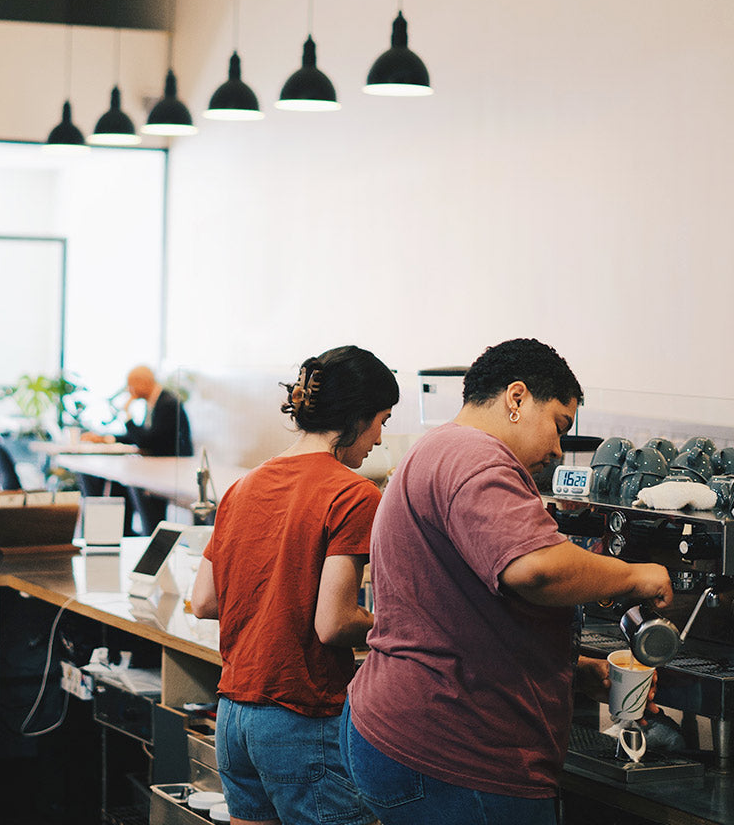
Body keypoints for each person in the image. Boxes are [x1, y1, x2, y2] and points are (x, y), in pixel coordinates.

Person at [342, 338, 673, 825]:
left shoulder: (437, 449)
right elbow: (535, 568)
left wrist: (575, 670)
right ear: (516, 399)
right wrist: (632, 576)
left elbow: (457, 610)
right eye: (559, 425)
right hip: (456, 752)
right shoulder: (475, 456)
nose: (558, 449)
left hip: (404, 728)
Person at [190, 345, 398, 825]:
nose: (380, 438)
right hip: (303, 716)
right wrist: (402, 627)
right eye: (381, 421)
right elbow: (334, 622)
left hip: (233, 718)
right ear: (356, 416)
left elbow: (204, 601)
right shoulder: (352, 493)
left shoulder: (243, 487)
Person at [80, 365, 193, 533]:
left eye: (131, 384)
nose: (129, 390)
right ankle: (122, 535)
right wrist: (106, 438)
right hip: (158, 468)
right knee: (121, 485)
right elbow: (142, 436)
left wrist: (127, 415)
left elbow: (147, 441)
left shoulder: (167, 403)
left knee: (129, 486)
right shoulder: (155, 402)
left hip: (171, 470)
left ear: (144, 382)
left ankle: (141, 535)